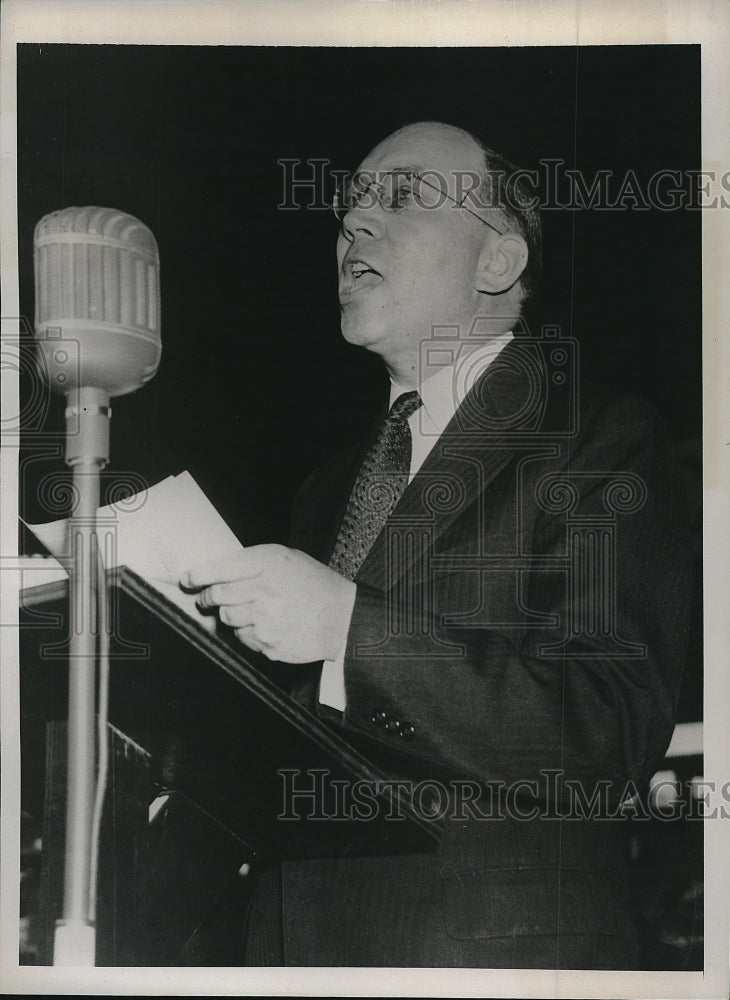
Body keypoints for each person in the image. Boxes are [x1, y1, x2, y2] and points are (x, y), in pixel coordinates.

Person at [181, 122, 693, 968]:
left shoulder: (600, 435)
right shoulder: (324, 488)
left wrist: (351, 628)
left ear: (498, 262)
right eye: (348, 208)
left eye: (403, 196)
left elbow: (613, 728)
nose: (352, 225)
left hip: (488, 959)